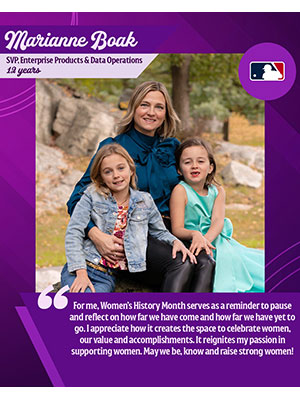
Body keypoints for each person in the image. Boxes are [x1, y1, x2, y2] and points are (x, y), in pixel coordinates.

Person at [67, 81, 215, 292]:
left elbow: (193, 183)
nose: (151, 112)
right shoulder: (113, 148)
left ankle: (193, 322)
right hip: (133, 231)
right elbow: (76, 199)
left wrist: (200, 227)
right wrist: (95, 234)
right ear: (134, 107)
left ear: (166, 113)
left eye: (159, 107)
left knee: (206, 262)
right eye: (145, 105)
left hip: (169, 230)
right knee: (181, 262)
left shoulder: (172, 146)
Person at [61, 144, 195, 293]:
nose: (116, 175)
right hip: (83, 267)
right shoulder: (91, 195)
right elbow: (74, 232)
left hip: (107, 276)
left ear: (131, 169)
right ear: (101, 177)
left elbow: (159, 232)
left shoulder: (144, 200)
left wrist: (175, 241)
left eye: (121, 168)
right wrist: (81, 273)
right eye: (108, 171)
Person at [170, 137, 264, 293]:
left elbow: (218, 221)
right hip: (191, 241)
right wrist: (196, 236)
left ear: (210, 167)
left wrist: (205, 241)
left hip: (214, 240)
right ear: (179, 169)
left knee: (247, 262)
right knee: (225, 267)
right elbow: (177, 228)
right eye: (187, 162)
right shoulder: (180, 191)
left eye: (200, 161)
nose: (194, 166)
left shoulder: (218, 190)